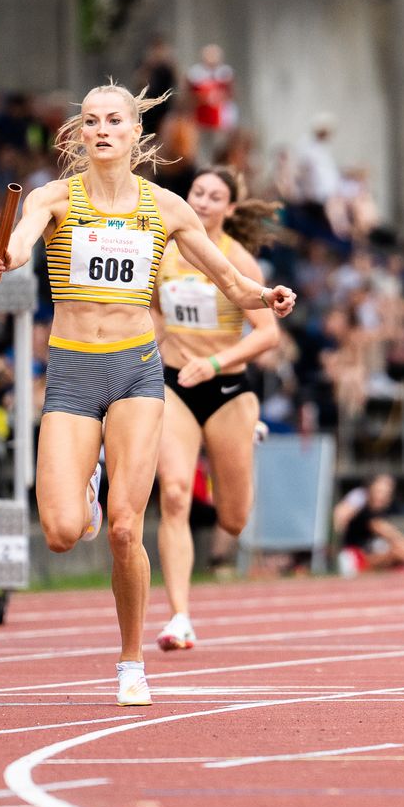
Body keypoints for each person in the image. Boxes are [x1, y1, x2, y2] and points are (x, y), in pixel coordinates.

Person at [0, 83, 296, 707]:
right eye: (91, 121)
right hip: (72, 370)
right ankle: (89, 495)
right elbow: (16, 249)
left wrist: (267, 298)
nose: (103, 130)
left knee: (130, 528)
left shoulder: (164, 207)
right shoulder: (53, 197)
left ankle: (131, 662)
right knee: (62, 531)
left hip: (137, 372)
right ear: (79, 133)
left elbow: (229, 279)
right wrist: (1, 256)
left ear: (134, 134)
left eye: (115, 121)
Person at [147, 164, 281, 652]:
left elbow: (267, 333)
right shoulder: (163, 249)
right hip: (174, 383)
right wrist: (151, 350)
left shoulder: (237, 258)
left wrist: (214, 360)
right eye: (196, 192)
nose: (201, 202)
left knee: (233, 519)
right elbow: (156, 313)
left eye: (213, 196)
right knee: (176, 495)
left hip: (226, 389)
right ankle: (179, 616)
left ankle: (249, 432)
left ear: (229, 208)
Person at [333, 473, 404, 575]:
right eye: (379, 491)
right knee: (398, 548)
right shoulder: (363, 510)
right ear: (370, 489)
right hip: (356, 557)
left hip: (376, 555)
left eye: (387, 492)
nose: (383, 496)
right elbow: (383, 530)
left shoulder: (388, 507)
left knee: (401, 548)